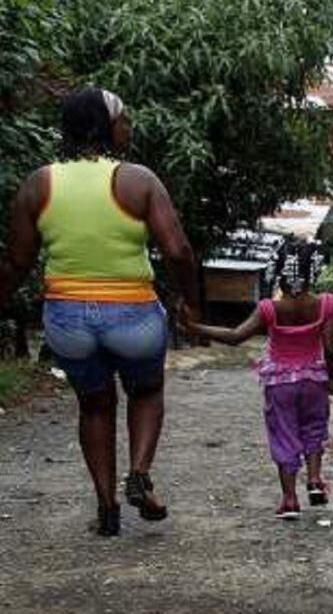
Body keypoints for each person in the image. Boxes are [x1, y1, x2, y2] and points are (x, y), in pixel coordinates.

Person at [0, 88, 199, 536]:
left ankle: (107, 508)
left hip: (67, 320)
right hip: (132, 315)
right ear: (106, 127)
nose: (128, 127)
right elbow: (178, 250)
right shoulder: (139, 180)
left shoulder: (39, 183)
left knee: (94, 406)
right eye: (124, 119)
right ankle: (140, 474)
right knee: (146, 391)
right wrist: (190, 299)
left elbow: (16, 262)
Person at [181, 240, 333, 521]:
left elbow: (235, 336)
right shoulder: (326, 304)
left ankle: (290, 499)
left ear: (278, 271)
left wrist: (194, 327)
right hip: (314, 380)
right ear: (313, 271)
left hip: (280, 384)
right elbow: (330, 348)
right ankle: (315, 480)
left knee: (284, 434)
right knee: (314, 428)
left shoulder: (269, 308)